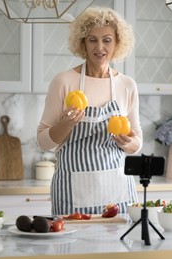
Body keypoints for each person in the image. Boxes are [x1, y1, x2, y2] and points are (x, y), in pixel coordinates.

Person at [37, 6, 142, 215]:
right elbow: (43, 142)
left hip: (117, 189)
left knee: (119, 246)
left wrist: (130, 144)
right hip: (72, 191)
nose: (100, 47)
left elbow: (137, 141)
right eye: (92, 39)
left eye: (107, 39)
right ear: (82, 43)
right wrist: (67, 123)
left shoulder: (127, 85)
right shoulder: (64, 81)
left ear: (117, 42)